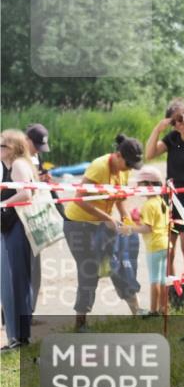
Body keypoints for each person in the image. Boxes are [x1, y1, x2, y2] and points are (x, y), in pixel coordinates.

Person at [62, 134, 144, 330]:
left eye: (134, 165)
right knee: (89, 270)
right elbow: (80, 198)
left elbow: (120, 197)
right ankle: (80, 323)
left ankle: (137, 311)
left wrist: (125, 217)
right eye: (129, 163)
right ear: (118, 155)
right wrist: (108, 218)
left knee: (119, 264)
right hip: (78, 224)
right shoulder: (99, 167)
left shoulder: (123, 170)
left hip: (101, 224)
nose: (130, 168)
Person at [144, 99, 184, 278]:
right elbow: (149, 154)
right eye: (174, 122)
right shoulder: (172, 138)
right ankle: (170, 292)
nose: (179, 124)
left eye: (181, 118)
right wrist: (158, 129)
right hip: (171, 198)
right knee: (167, 250)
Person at [1, 130, 37, 349]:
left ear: (12, 148)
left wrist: (3, 204)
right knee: (9, 283)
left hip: (17, 229)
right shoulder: (8, 166)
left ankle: (20, 337)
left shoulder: (18, 165)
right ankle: (15, 336)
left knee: (16, 282)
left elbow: (26, 194)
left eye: (2, 146)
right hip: (9, 229)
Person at [118, 166, 170, 317]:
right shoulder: (161, 201)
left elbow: (147, 229)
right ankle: (163, 308)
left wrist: (129, 228)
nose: (138, 188)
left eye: (140, 184)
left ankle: (153, 310)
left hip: (154, 246)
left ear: (149, 185)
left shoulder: (148, 205)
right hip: (165, 243)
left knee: (154, 280)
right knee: (162, 279)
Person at [23, 124, 50, 310]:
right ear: (27, 140)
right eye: (36, 146)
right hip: (19, 218)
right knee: (21, 269)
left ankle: (28, 312)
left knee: (35, 270)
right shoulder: (15, 158)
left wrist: (44, 179)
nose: (37, 151)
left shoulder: (35, 156)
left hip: (35, 215)